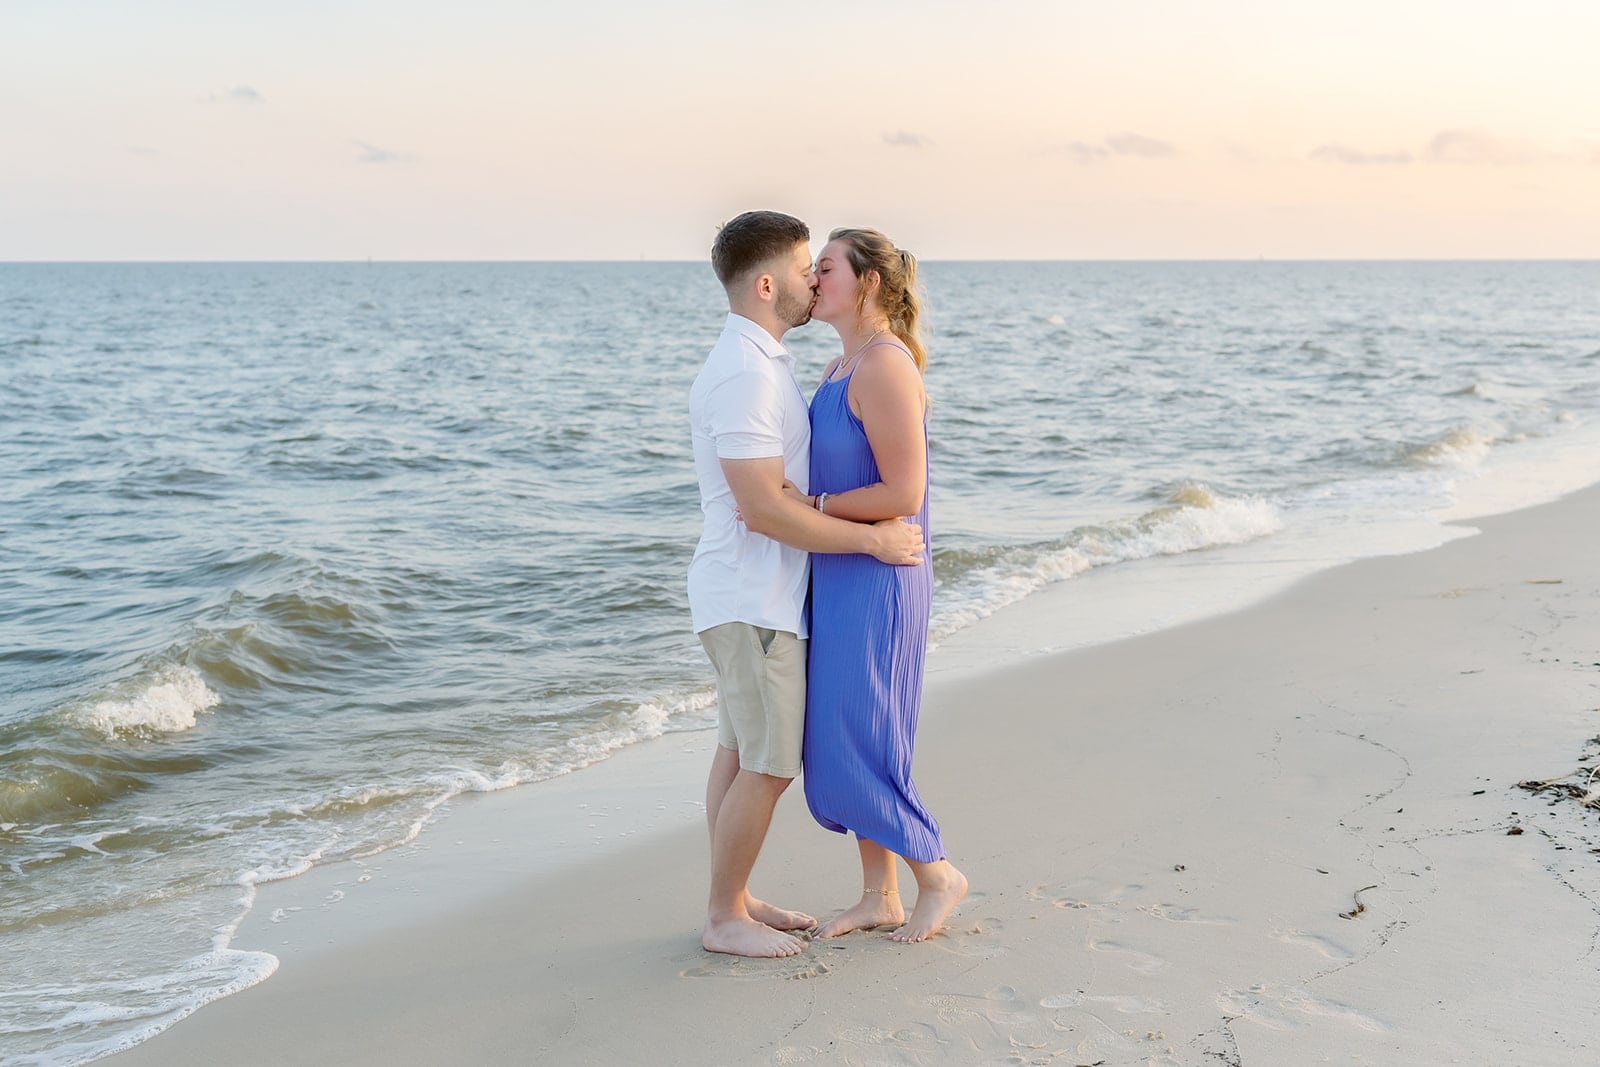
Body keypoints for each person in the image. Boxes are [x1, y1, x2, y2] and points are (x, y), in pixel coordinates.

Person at [688, 210, 926, 958]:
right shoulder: (748, 372)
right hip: (756, 596)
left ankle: (738, 895)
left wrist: (852, 528)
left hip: (776, 594)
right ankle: (726, 911)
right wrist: (869, 537)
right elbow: (762, 507)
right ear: (766, 284)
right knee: (765, 760)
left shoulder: (775, 365)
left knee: (741, 752)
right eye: (802, 267)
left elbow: (865, 484)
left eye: (823, 267)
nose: (811, 279)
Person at [796, 227, 968, 943]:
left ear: (866, 282)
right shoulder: (842, 364)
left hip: (880, 575)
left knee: (862, 736)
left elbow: (904, 488)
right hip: (839, 569)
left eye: (825, 269)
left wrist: (811, 509)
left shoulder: (885, 367)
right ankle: (880, 893)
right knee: (847, 733)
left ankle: (936, 872)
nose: (812, 281)